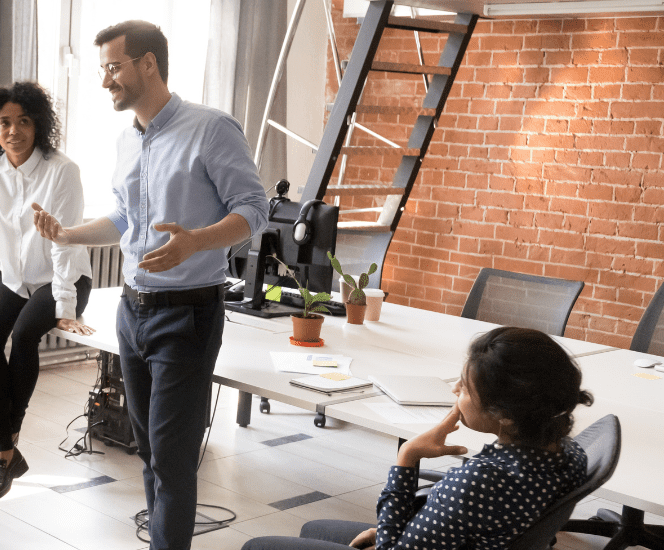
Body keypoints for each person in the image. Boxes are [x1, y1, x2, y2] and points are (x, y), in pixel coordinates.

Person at [32, 20, 269, 550]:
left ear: (148, 64)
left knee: (172, 457)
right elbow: (122, 217)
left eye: (113, 68)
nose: (105, 81)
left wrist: (197, 241)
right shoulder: (125, 140)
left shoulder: (211, 128)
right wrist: (68, 234)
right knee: (148, 451)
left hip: (187, 315)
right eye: (102, 70)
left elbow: (254, 211)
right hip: (133, 314)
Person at [242, 326, 595, 550]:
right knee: (314, 527)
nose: (455, 389)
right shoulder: (570, 453)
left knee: (259, 546)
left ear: (504, 415)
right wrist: (396, 525)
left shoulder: (480, 482)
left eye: (466, 388)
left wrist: (408, 457)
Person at [0, 81, 95, 503]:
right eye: (5, 122)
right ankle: (7, 452)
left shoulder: (62, 170)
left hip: (65, 275)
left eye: (23, 121)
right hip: (14, 276)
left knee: (23, 336)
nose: (14, 131)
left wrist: (64, 305)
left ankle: (4, 445)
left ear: (38, 125)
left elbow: (64, 241)